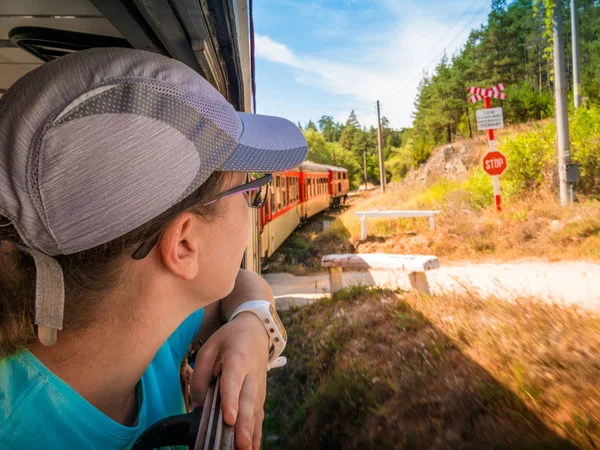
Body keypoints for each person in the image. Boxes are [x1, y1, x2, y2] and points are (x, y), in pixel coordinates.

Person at [0, 47, 307, 449]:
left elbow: (243, 285)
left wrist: (253, 323)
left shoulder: (145, 328)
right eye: (251, 190)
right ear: (183, 244)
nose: (253, 204)